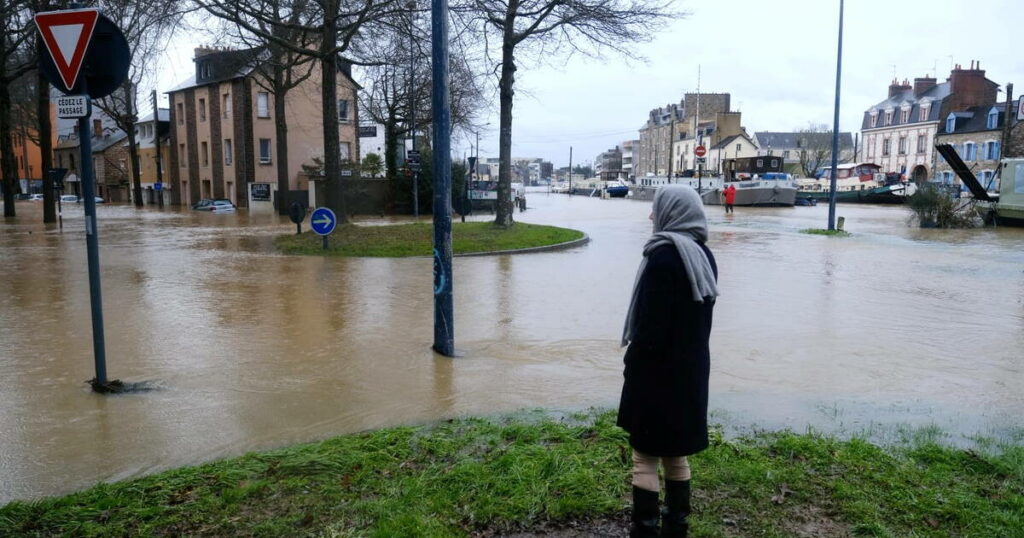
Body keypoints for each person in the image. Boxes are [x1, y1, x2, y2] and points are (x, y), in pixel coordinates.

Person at [618, 185, 719, 537]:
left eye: (655, 208)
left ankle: (644, 531)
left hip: (657, 376)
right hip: (690, 372)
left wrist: (633, 363)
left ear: (672, 211)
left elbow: (650, 330)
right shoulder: (703, 256)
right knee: (676, 455)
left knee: (644, 457)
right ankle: (677, 529)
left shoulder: (662, 257)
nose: (650, 215)